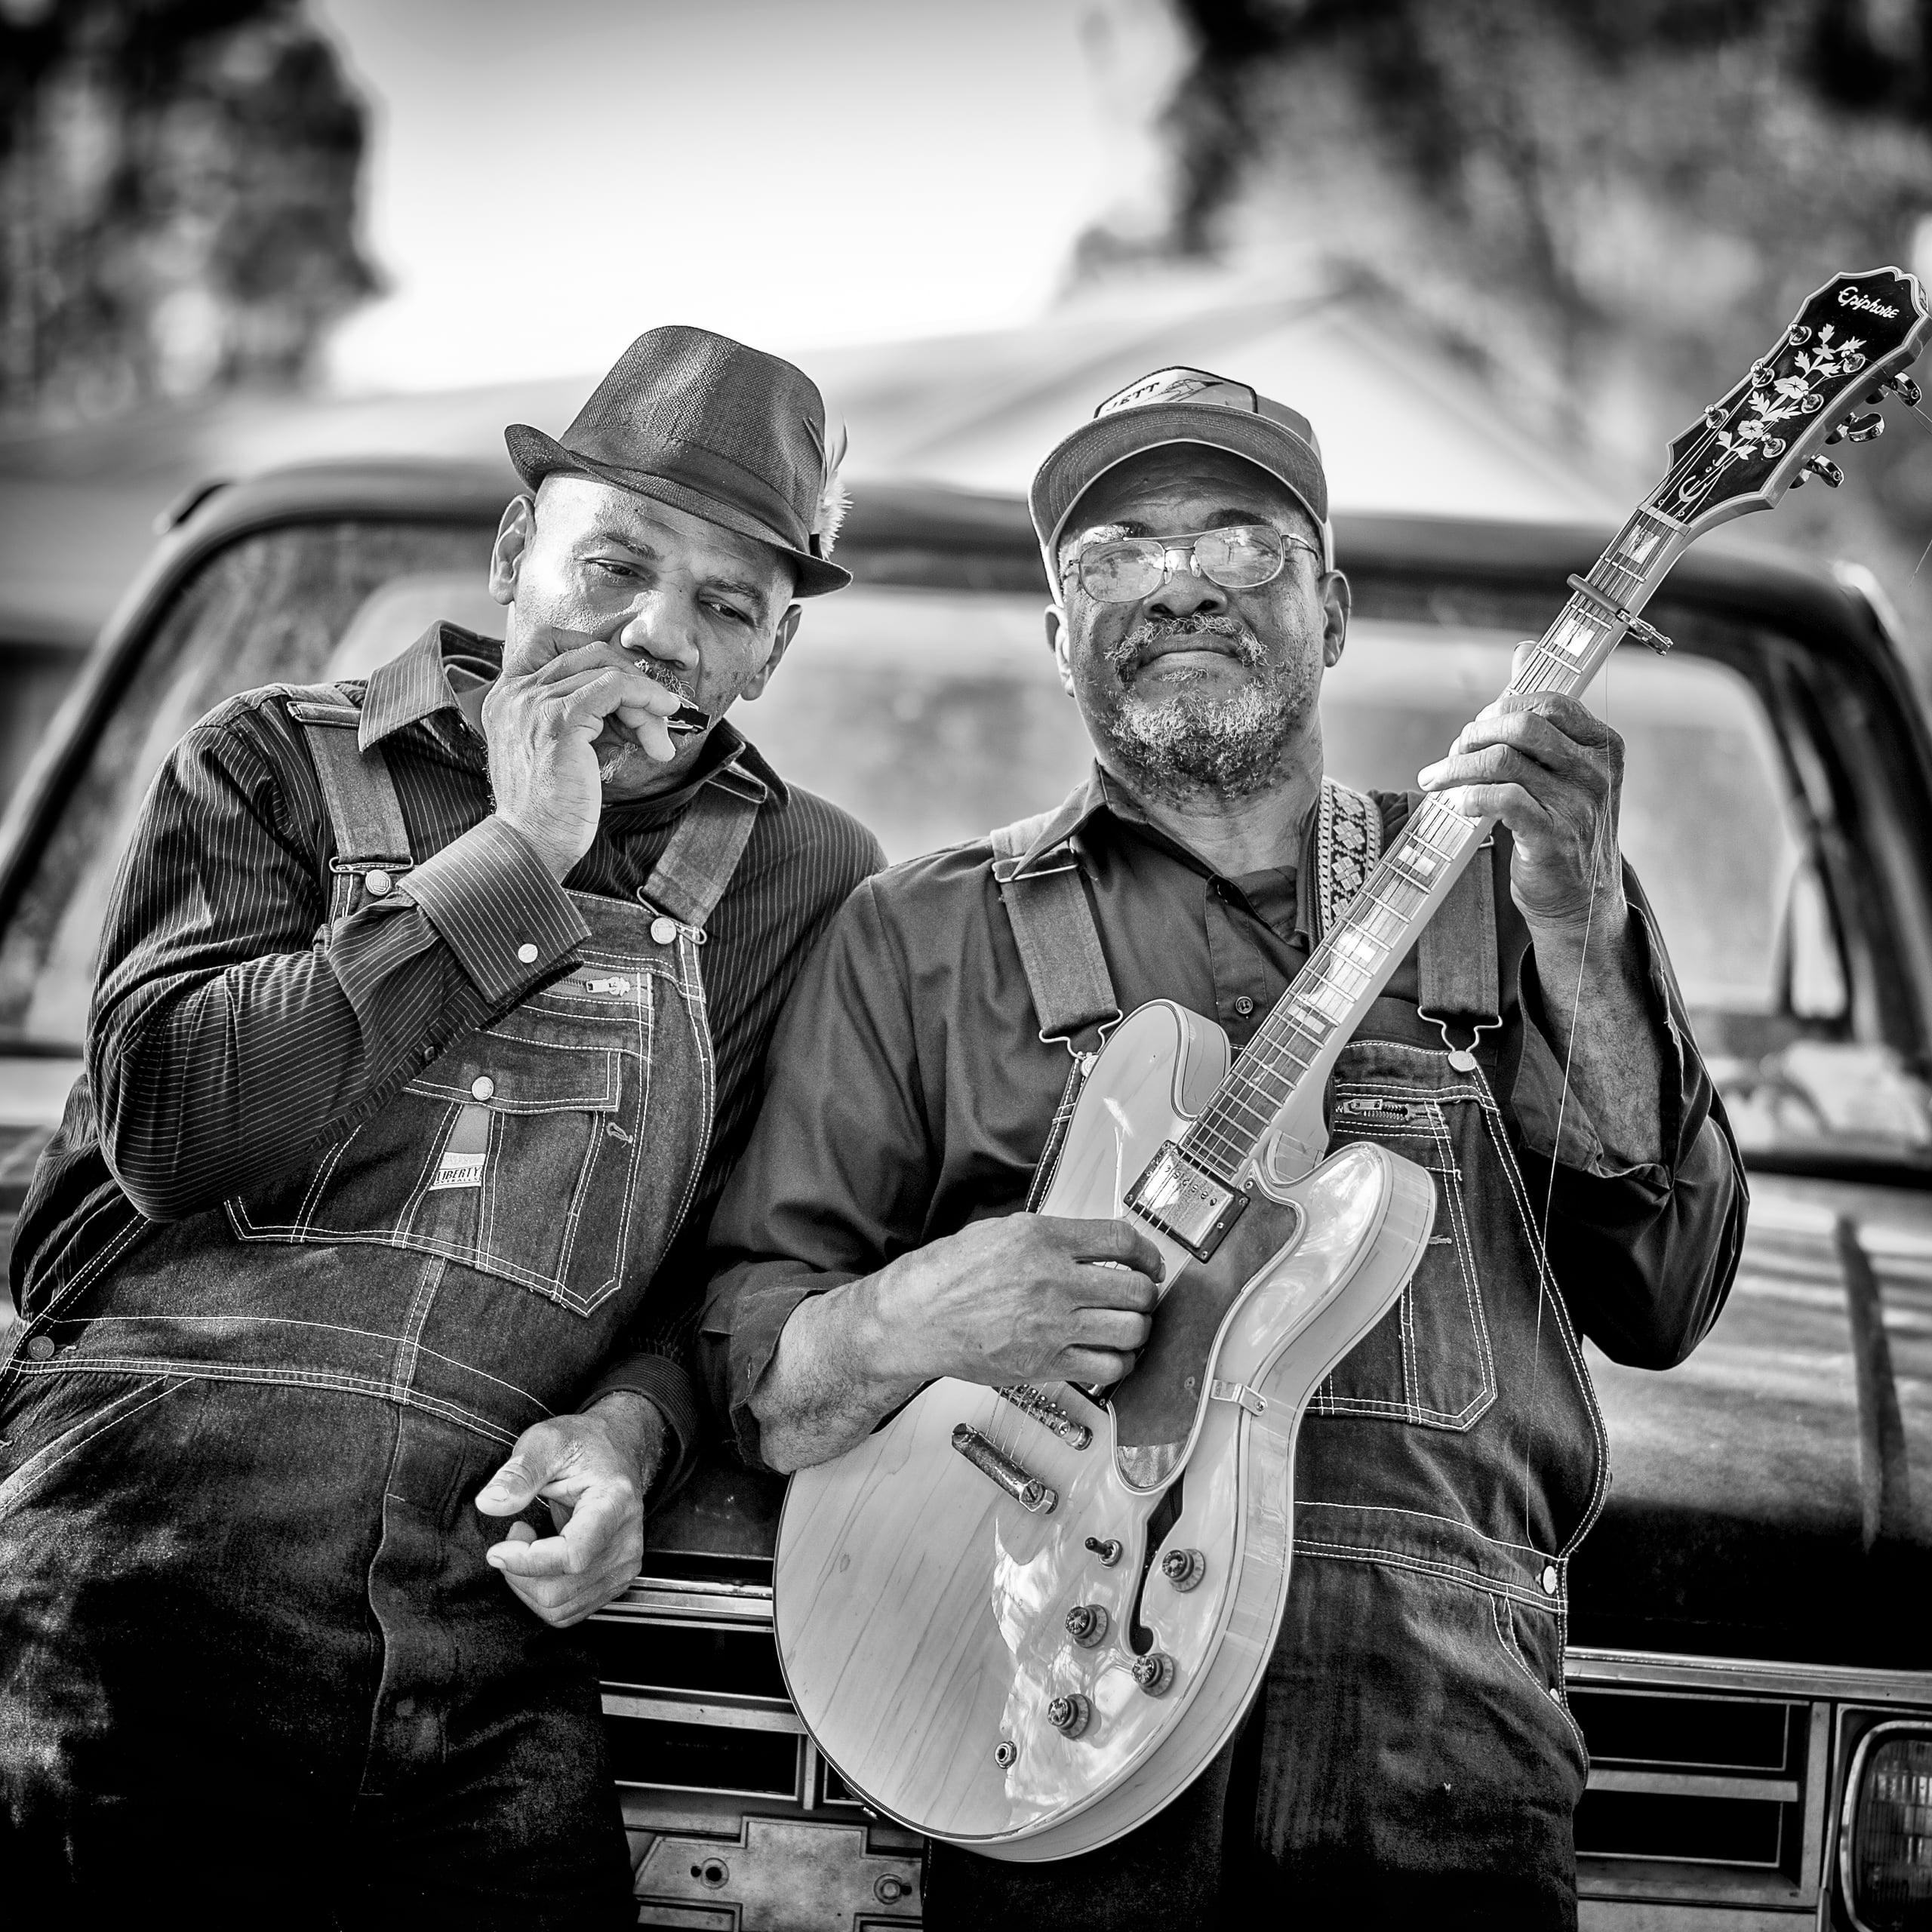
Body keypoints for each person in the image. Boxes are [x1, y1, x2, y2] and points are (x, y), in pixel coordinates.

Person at [700, 365, 1746, 1927]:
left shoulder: (1522, 879)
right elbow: (760, 1366)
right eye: (1113, 555)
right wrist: (917, 1311)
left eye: (1242, 544)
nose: (1179, 583)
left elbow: (1663, 1294)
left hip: (1438, 1739)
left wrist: (1581, 921)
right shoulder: (913, 937)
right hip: (1041, 1704)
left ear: (1331, 612)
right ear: (1057, 633)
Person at [0, 325, 882, 1925]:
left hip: (479, 1630)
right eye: (615, 563)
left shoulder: (804, 879)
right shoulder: (270, 758)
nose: (657, 633)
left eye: (727, 605)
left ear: (772, 653)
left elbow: (725, 1272)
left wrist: (630, 1433)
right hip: (137, 1586)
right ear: (513, 549)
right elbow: (174, 1122)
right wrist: (518, 853)